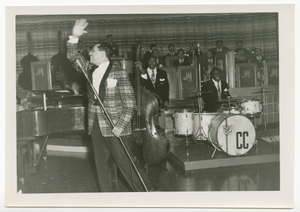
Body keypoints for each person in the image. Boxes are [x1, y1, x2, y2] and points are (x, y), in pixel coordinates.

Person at [66, 19, 154, 192]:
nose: (90, 53)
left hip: (116, 126)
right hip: (96, 125)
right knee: (102, 165)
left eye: (93, 51)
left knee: (127, 164)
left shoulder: (119, 73)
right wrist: (74, 36)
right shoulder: (88, 69)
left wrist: (120, 126)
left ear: (103, 54)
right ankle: (108, 198)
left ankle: (147, 193)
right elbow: (72, 56)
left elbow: (130, 103)